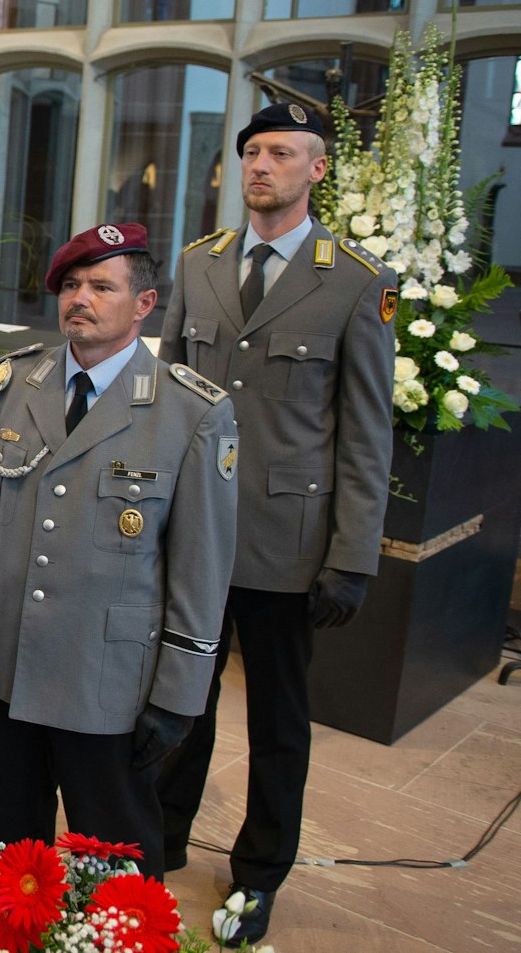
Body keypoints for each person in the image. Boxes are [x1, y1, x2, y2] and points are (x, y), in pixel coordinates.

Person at [156, 103, 397, 942]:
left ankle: (259, 873)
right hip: (195, 533)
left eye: (282, 153)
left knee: (278, 719)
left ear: (317, 170)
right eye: (253, 151)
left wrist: (353, 557)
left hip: (287, 547)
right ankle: (160, 842)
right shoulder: (201, 264)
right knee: (179, 698)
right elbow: (168, 401)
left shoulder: (357, 282)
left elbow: (367, 432)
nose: (262, 165)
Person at [0, 223, 238, 875]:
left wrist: (178, 694)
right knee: (15, 856)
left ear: (143, 304)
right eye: (71, 284)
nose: (80, 297)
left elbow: (200, 570)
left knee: (117, 864)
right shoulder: (12, 384)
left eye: (102, 286)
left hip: (106, 680)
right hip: (9, 662)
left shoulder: (191, 413)